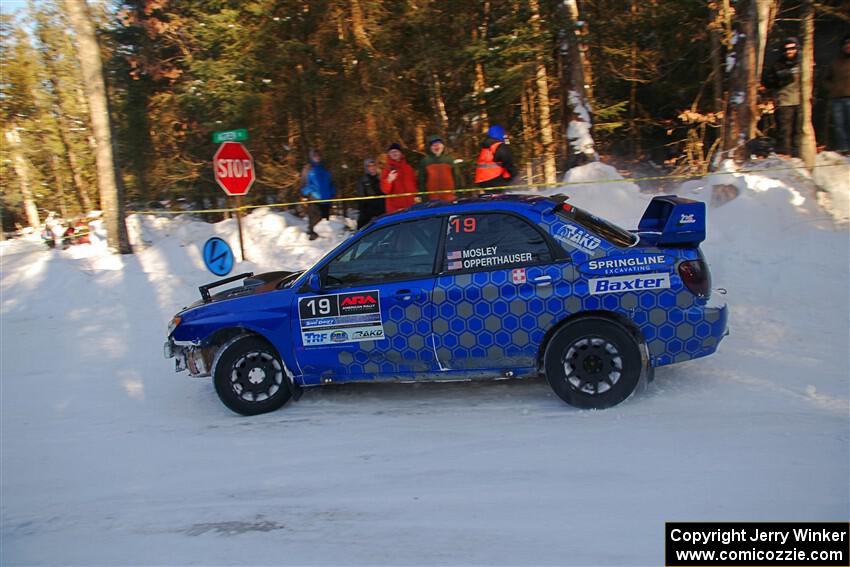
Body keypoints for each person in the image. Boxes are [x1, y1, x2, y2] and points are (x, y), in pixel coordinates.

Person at [763, 37, 802, 157]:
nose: (789, 52)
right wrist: (783, 79)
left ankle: (798, 155)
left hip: (802, 101)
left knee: (799, 129)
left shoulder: (804, 63)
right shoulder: (777, 65)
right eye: (786, 49)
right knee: (784, 130)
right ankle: (785, 154)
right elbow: (767, 82)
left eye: (792, 49)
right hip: (784, 102)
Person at [300, 149, 337, 240]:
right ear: (311, 157)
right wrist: (307, 193)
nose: (317, 157)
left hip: (326, 199)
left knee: (325, 221)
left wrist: (332, 192)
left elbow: (332, 182)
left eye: (318, 155)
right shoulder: (308, 168)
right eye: (314, 156)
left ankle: (325, 239)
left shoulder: (325, 167)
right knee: (315, 221)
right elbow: (303, 184)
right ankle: (313, 238)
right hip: (314, 198)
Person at [823, 34, 850, 154]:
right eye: (846, 44)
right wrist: (832, 88)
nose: (848, 46)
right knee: (839, 125)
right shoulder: (835, 62)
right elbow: (825, 79)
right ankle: (843, 148)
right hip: (837, 98)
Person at [417, 135, 462, 202]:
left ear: (443, 146)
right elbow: (421, 181)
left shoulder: (450, 159)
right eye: (433, 145)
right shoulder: (425, 161)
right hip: (432, 199)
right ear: (430, 147)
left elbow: (457, 177)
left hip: (450, 197)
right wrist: (424, 196)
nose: (436, 147)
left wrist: (458, 193)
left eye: (438, 144)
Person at [474, 124, 516, 193]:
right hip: (494, 178)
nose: (505, 136)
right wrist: (515, 176)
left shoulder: (486, 147)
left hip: (481, 179)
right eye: (504, 134)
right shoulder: (500, 146)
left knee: (492, 198)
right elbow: (508, 163)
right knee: (504, 198)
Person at [380, 143, 417, 213]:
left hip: (410, 206)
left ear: (400, 153)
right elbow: (384, 190)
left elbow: (414, 184)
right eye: (391, 152)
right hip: (395, 209)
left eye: (396, 151)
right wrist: (389, 180)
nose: (394, 153)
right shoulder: (387, 170)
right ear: (389, 154)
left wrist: (415, 196)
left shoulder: (408, 168)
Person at [356, 158, 385, 229]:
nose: (372, 168)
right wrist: (364, 209)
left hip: (381, 209)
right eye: (369, 166)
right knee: (363, 227)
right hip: (367, 210)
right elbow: (361, 196)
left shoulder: (380, 178)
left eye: (373, 165)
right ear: (366, 167)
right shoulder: (363, 180)